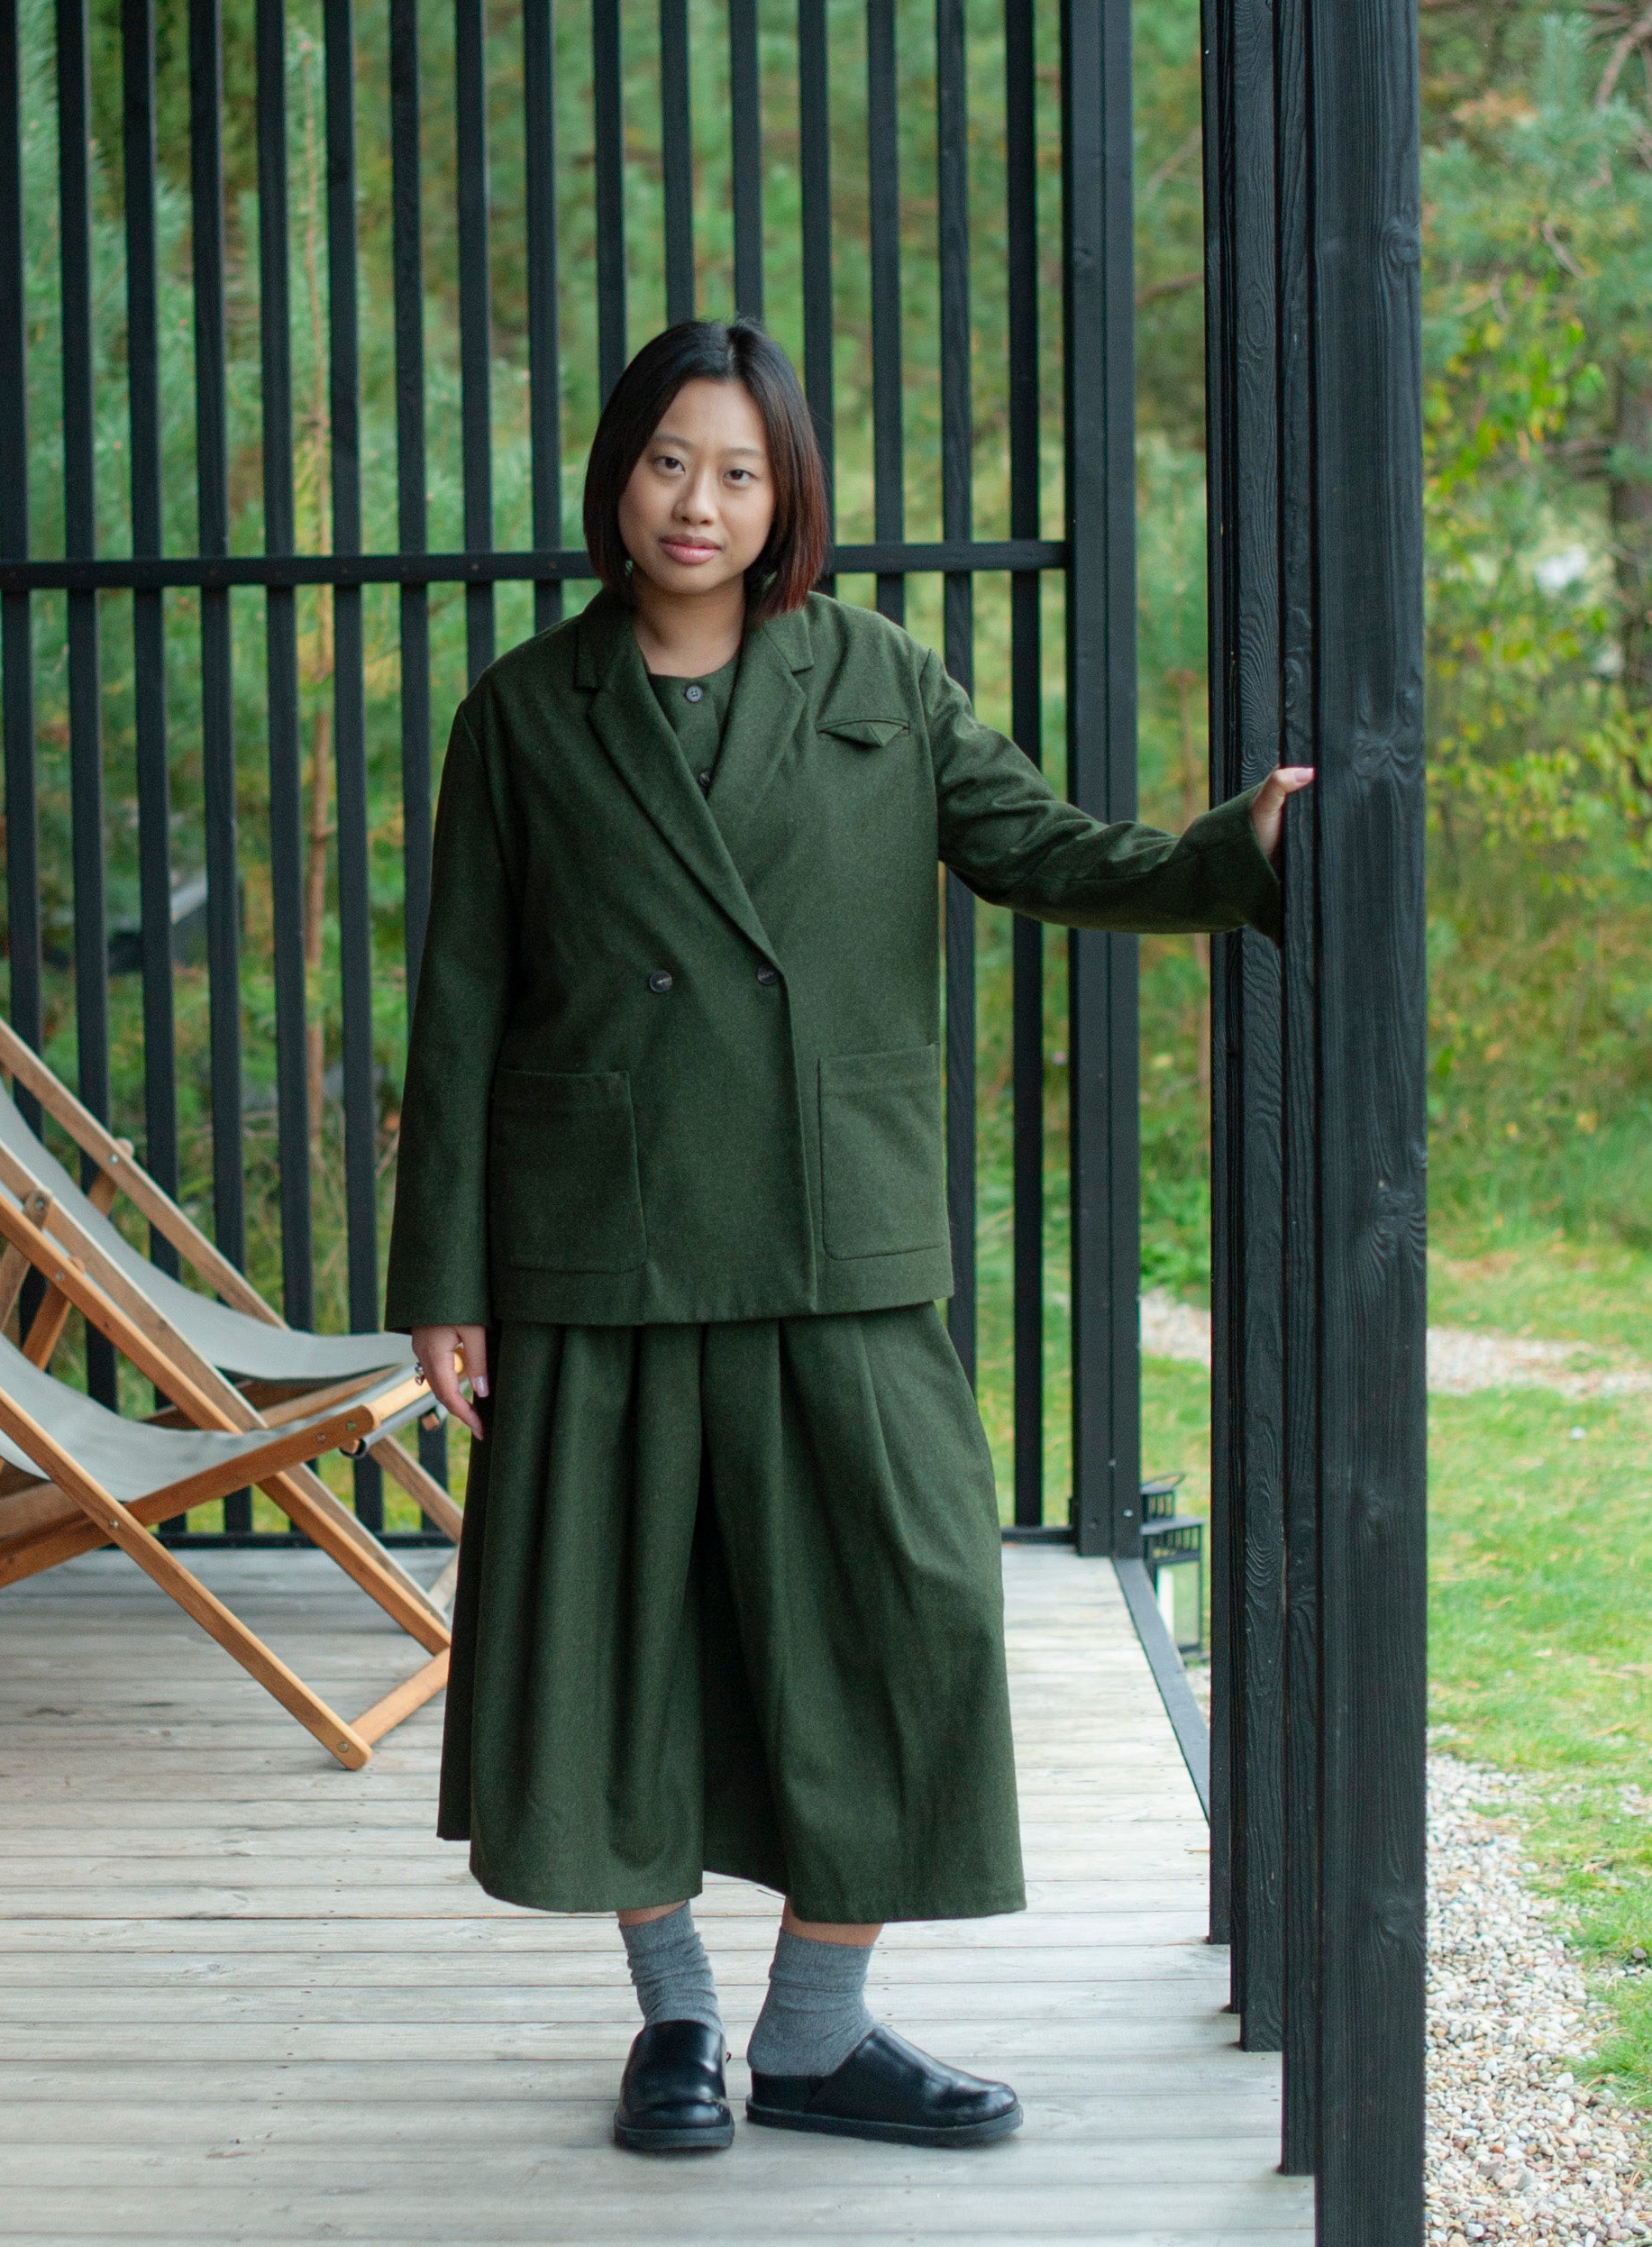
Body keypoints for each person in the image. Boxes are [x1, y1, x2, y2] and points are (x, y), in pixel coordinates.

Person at [385, 318, 1309, 2161]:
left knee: (910, 1616)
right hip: (604, 1243)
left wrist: (1237, 855)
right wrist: (444, 1285)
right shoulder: (526, 710)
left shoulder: (881, 676)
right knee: (616, 1646)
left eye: (738, 470)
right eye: (669, 461)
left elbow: (1047, 851)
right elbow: (461, 1006)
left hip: (840, 1230)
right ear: (618, 476)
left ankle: (815, 2032)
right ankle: (675, 2021)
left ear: (787, 491)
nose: (699, 502)